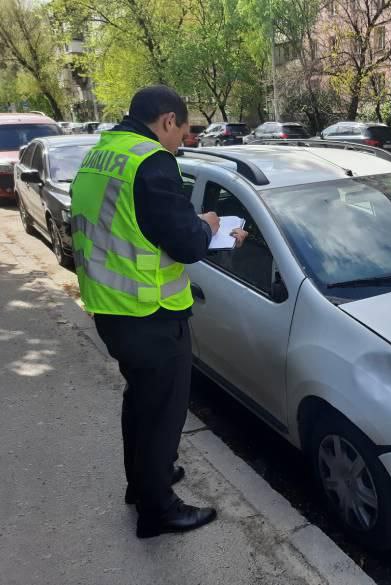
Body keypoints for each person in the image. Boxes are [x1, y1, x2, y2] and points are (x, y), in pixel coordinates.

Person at [69, 85, 246, 538]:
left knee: (141, 404)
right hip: (151, 313)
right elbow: (186, 243)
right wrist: (208, 225)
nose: (182, 143)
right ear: (168, 121)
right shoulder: (151, 161)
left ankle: (145, 482)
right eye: (182, 133)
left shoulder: (102, 154)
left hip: (112, 308)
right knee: (162, 415)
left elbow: (132, 228)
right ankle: (158, 511)